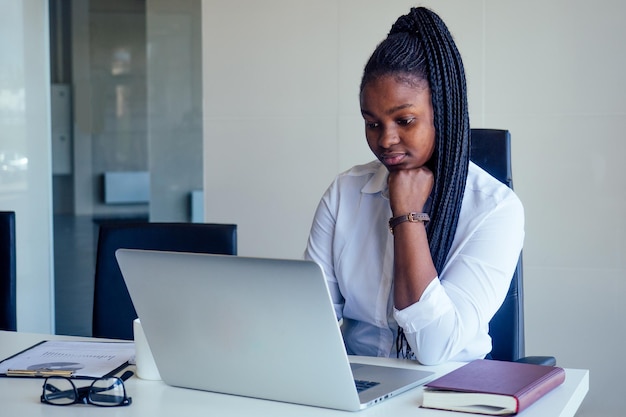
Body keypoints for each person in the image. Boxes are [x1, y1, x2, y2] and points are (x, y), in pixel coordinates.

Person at [304, 7, 524, 365]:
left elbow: (434, 348)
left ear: (443, 110)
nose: (386, 140)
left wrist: (407, 216)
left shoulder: (496, 209)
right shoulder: (345, 193)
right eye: (372, 124)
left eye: (404, 120)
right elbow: (310, 321)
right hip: (358, 384)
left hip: (451, 389)